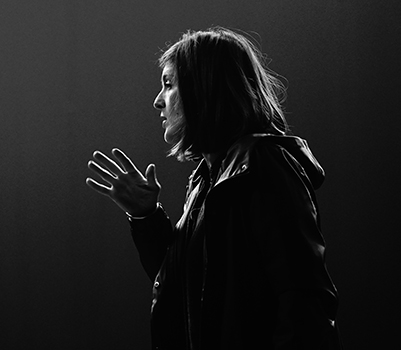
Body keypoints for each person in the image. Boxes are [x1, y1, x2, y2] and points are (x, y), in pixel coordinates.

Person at [85, 27, 341, 349]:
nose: (157, 101)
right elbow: (183, 288)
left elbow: (304, 297)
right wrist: (145, 216)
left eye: (168, 84)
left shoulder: (261, 162)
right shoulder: (208, 177)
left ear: (202, 88)